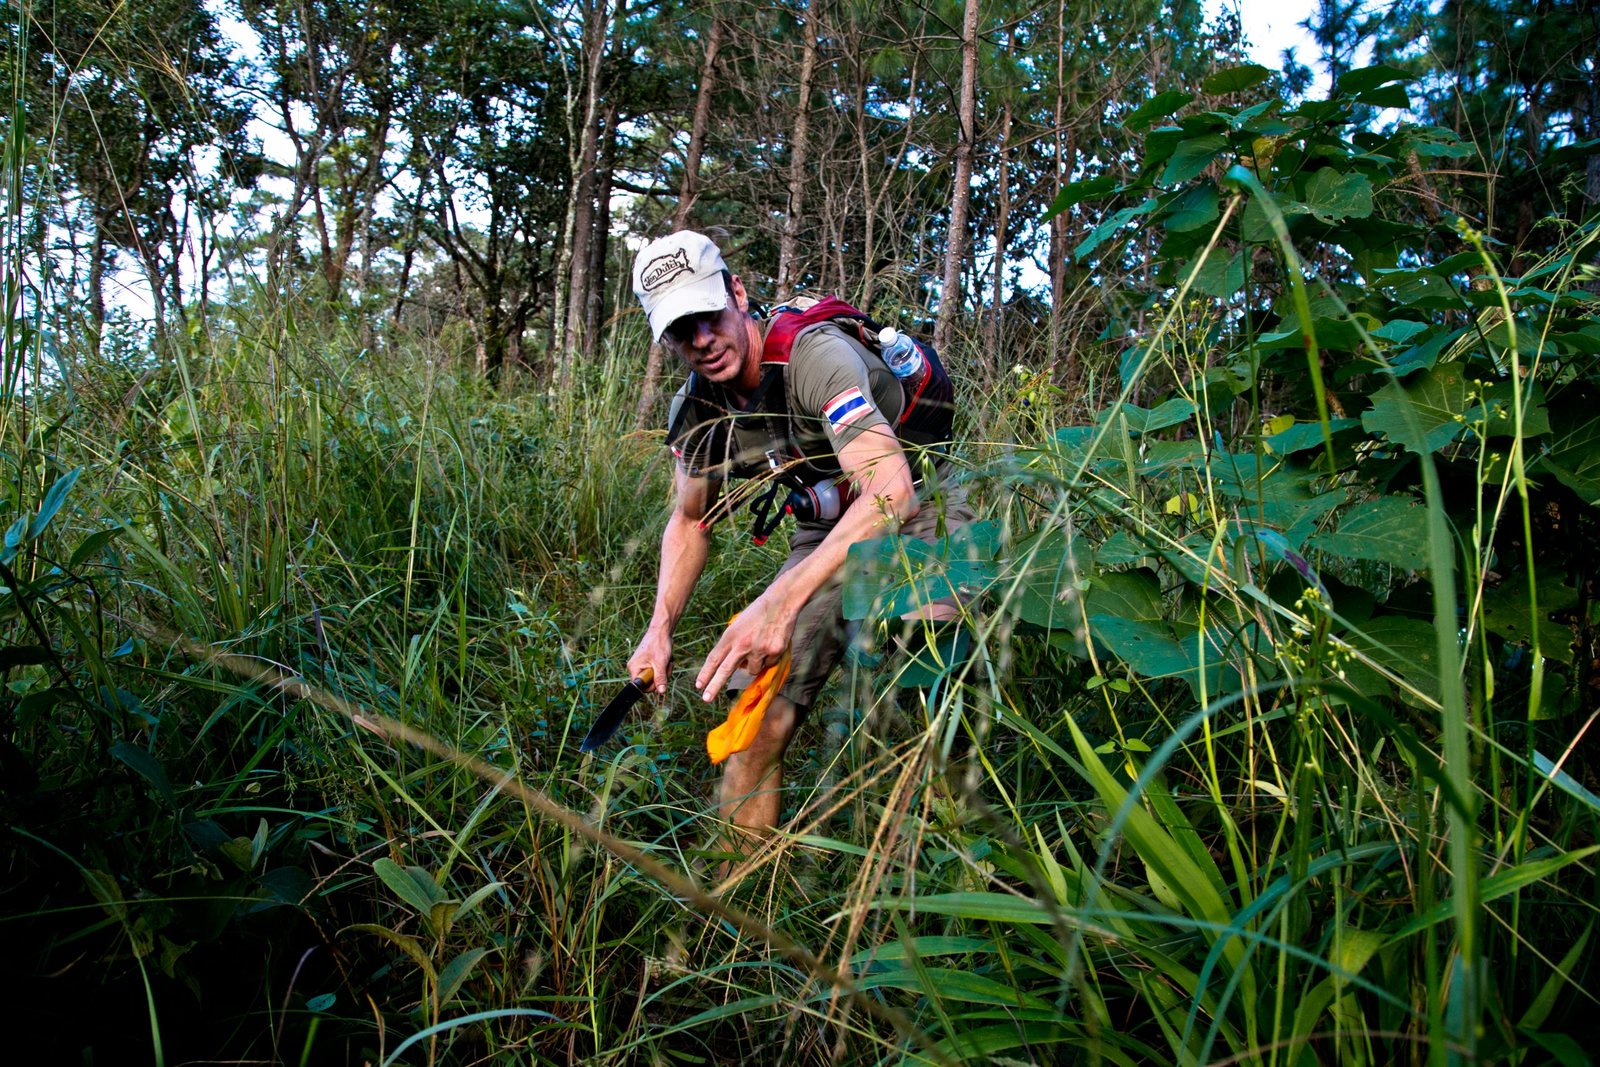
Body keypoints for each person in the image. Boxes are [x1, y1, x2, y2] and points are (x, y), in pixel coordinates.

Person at [626, 230, 971, 834]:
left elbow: (892, 490)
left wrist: (778, 601)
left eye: (708, 316)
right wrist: (659, 631)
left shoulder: (813, 357)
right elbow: (690, 519)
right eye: (682, 330)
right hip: (829, 523)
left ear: (737, 294)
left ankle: (971, 848)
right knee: (753, 710)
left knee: (934, 667)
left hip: (921, 506)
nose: (702, 341)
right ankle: (736, 897)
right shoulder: (701, 410)